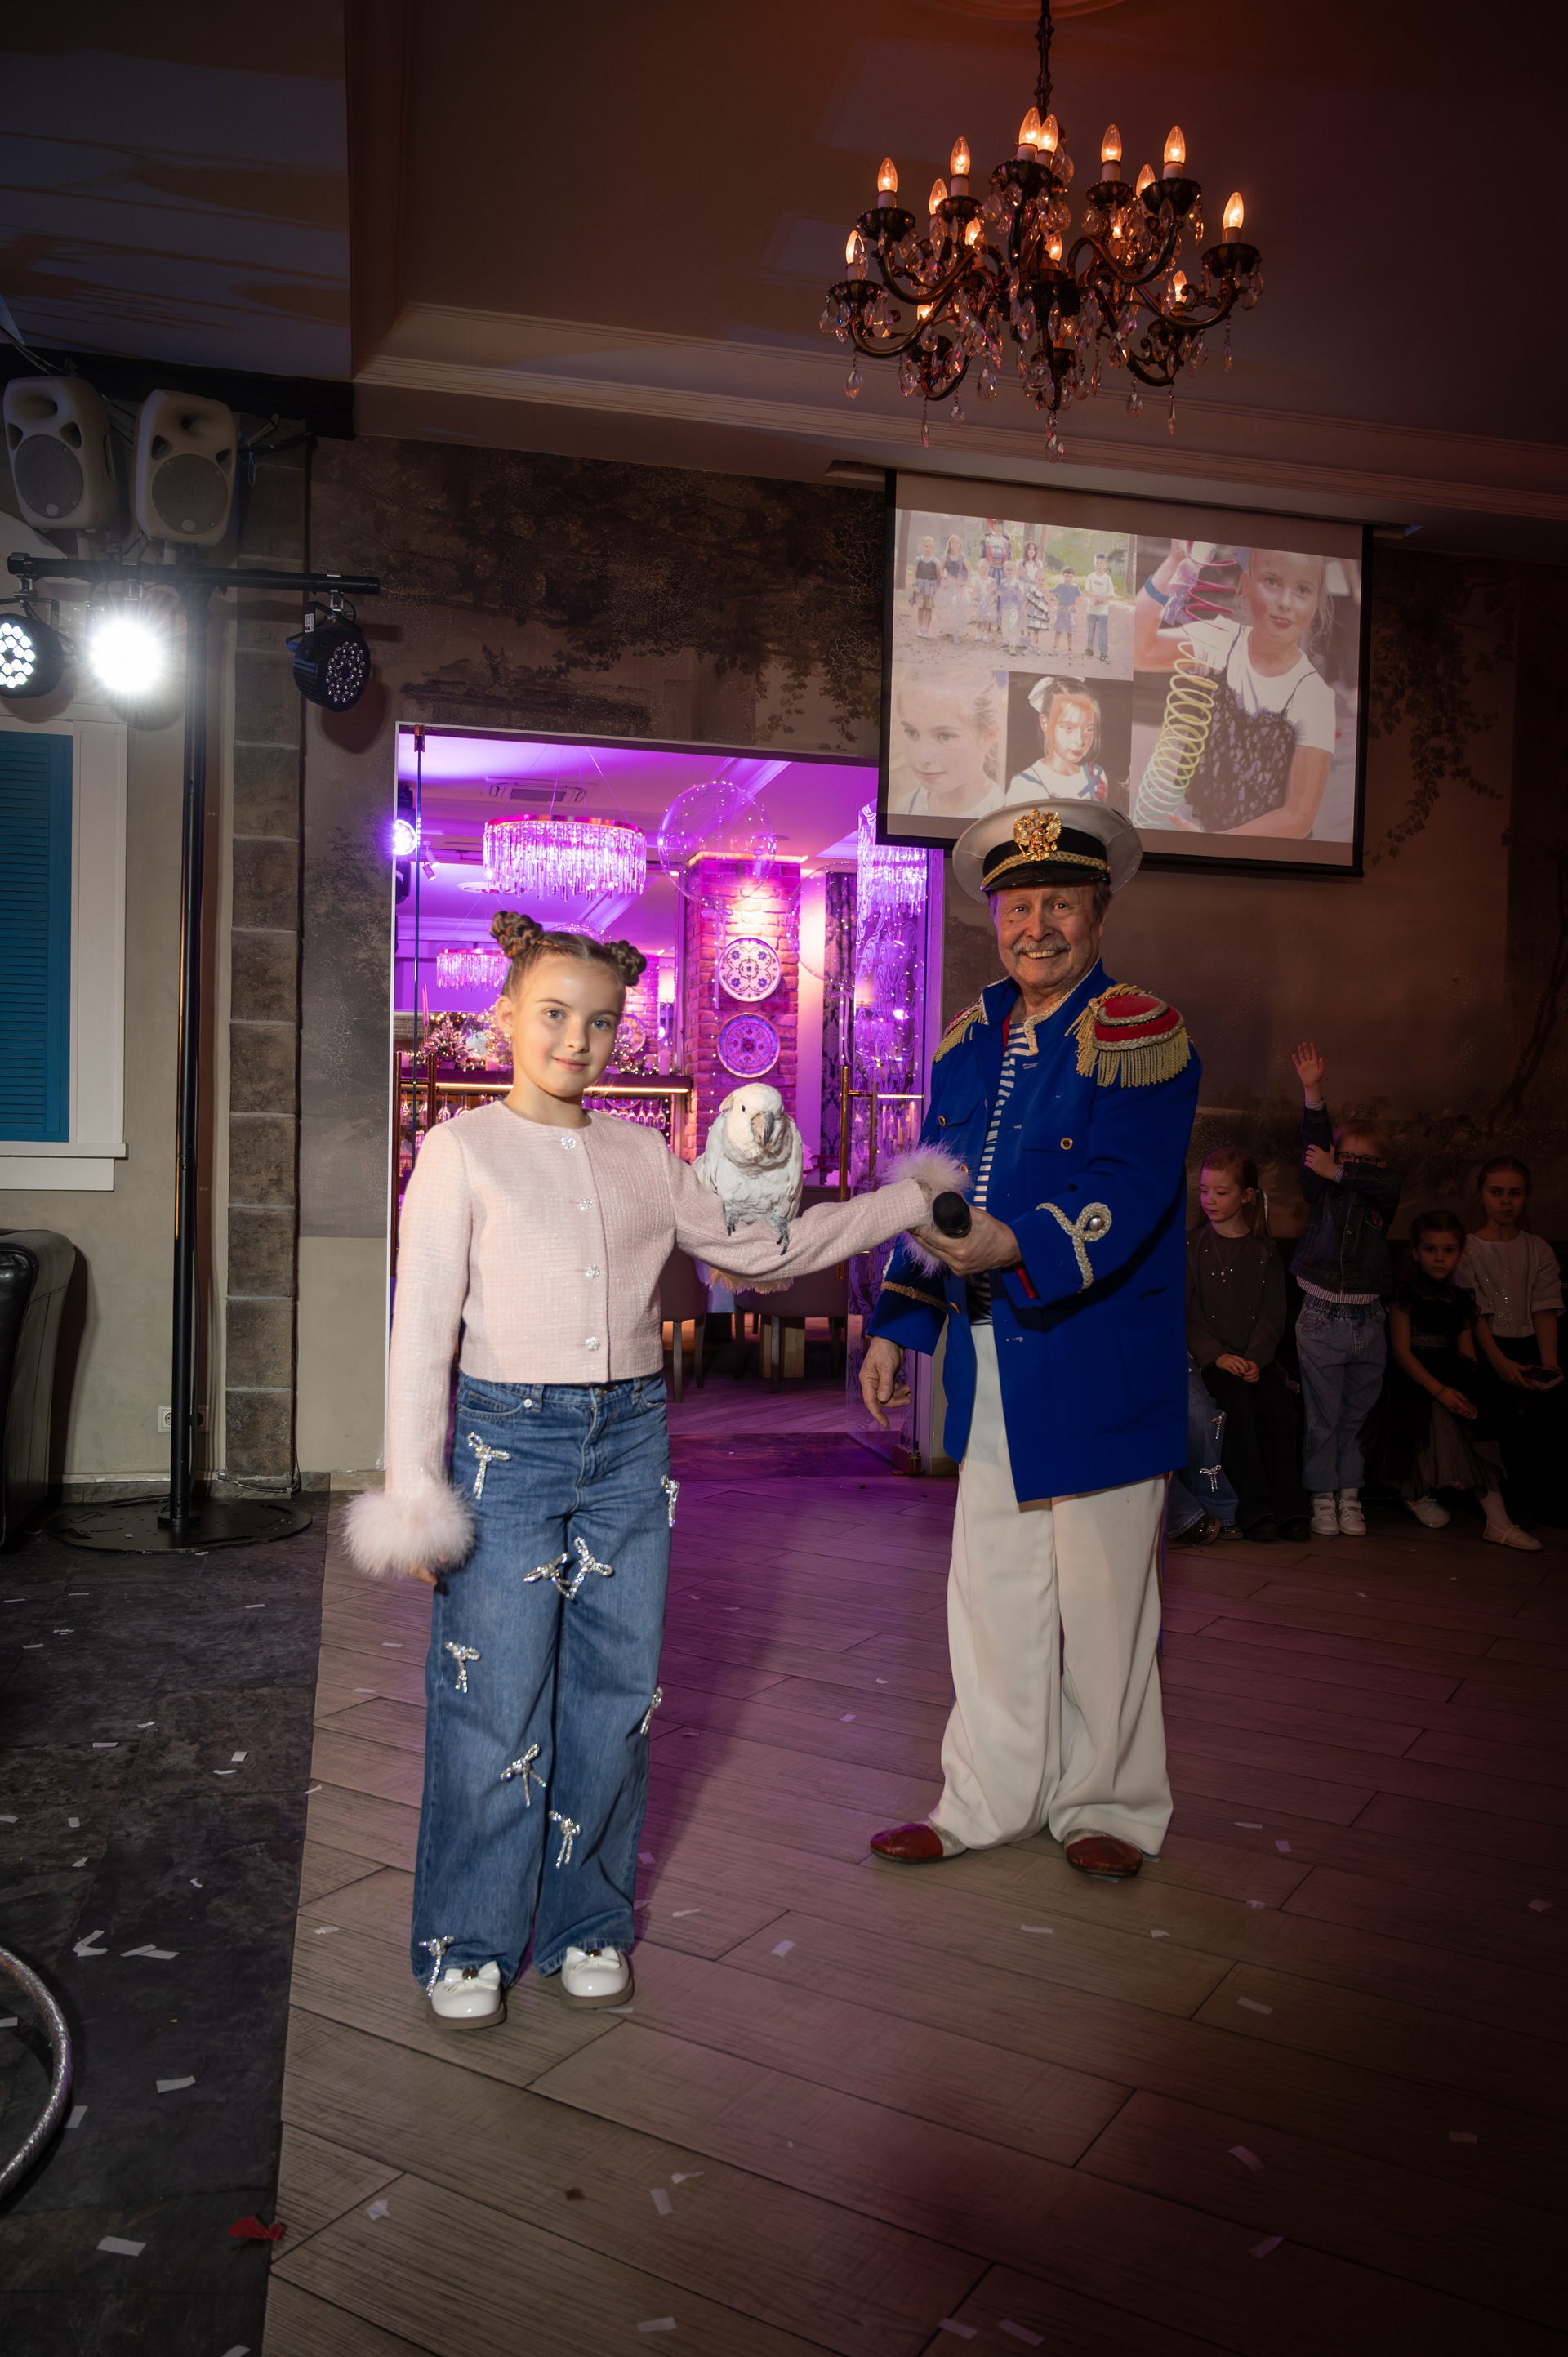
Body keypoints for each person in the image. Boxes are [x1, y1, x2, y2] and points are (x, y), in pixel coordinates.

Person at [344, 911, 939, 2029]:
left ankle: (589, 1925)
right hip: (505, 1447)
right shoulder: (461, 1152)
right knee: (493, 1702)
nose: (577, 1039)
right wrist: (416, 1491)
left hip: (629, 1444)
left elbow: (763, 1252)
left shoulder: (643, 1158)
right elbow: (420, 1332)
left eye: (601, 1021)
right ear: (506, 1016)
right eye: (553, 1014)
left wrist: (908, 1202)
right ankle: (469, 1941)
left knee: (616, 1698)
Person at [858, 801, 1200, 1881]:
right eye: (1018, 906)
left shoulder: (1143, 1031)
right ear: (995, 918)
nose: (1036, 926)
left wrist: (1020, 1242)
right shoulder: (969, 1040)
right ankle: (986, 1799)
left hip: (1097, 1355)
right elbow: (935, 1186)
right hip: (990, 1354)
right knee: (994, 1590)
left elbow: (1128, 1187)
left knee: (1104, 1602)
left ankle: (1109, 1806)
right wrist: (896, 1320)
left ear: (1099, 912)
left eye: (1060, 904)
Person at [1134, 543, 1337, 835]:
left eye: (1303, 590)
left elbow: (1298, 818)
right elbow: (1138, 652)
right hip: (1196, 836)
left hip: (1261, 857)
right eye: (1272, 582)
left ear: (1317, 601)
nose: (1286, 602)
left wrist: (1211, 845)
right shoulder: (1220, 641)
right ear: (1247, 585)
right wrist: (1176, 561)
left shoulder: (1314, 696)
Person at [1365, 1210, 1539, 1549]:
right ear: (1416, 1252)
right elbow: (1402, 1353)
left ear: (1460, 1254)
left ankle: (1499, 1523)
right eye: (1431, 1249)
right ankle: (1415, 1493)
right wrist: (1440, 1391)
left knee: (1477, 1423)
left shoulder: (1460, 1299)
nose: (1439, 1257)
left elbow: (1466, 1354)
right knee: (1439, 1418)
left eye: (1448, 1250)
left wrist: (1470, 1394)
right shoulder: (1406, 1295)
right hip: (1415, 1382)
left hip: (1451, 1374)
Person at [1288, 1040, 1401, 1537]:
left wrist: (1339, 1167)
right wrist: (1313, 1093)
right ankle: (1321, 1496)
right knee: (1323, 1417)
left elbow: (1384, 1183)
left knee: (1356, 1416)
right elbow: (1317, 1155)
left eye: (1364, 1161)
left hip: (1368, 1322)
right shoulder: (1324, 1192)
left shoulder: (1383, 1195)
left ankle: (1350, 1495)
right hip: (1322, 1316)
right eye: (1345, 1157)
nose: (1351, 1166)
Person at [1187, 1149, 1308, 1540]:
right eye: (1204, 1190)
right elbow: (1189, 1314)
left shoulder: (1264, 1252)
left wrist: (1256, 1359)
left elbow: (1273, 1316)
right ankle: (1254, 1508)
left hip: (1256, 1360)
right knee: (1236, 1408)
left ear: (1246, 1195)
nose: (1210, 1200)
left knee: (1278, 1409)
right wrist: (1218, 1357)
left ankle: (1290, 1507)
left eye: (1221, 1192)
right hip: (1212, 1361)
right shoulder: (1191, 1246)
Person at [1459, 1156, 1566, 1525]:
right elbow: (1475, 1316)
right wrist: (1501, 1365)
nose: (1506, 1202)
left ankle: (1546, 1498)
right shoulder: (1468, 1250)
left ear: (1526, 1197)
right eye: (1496, 1192)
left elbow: (1545, 1308)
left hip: (1530, 1344)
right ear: (1481, 1195)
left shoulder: (1537, 1249)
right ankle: (1509, 1500)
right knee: (1502, 1411)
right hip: (1489, 1348)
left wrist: (1548, 1364)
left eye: (1515, 1193)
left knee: (1551, 1409)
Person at [889, 680, 1004, 820]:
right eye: (911, 733)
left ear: (987, 735)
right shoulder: (903, 806)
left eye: (945, 736)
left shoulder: (1007, 815)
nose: (922, 758)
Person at [1008, 678, 1108, 804]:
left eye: (1089, 729)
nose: (1080, 740)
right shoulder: (1026, 784)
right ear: (1045, 724)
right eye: (1069, 728)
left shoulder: (1097, 775)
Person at [933, 533, 972, 643]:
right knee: (946, 608)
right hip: (948, 583)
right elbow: (941, 569)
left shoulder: (962, 558)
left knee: (958, 608)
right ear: (949, 544)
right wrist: (943, 579)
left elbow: (969, 571)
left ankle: (957, 632)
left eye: (957, 543)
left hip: (958, 585)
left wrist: (965, 583)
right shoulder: (946, 557)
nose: (955, 544)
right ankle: (946, 629)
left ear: (960, 545)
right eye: (953, 542)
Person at [1084, 551, 1116, 664]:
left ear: (1105, 564)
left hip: (1103, 610)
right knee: (1090, 631)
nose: (1099, 565)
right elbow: (1087, 590)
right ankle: (1089, 649)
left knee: (1103, 632)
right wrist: (1093, 599)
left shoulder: (1107, 579)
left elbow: (1111, 594)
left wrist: (1102, 600)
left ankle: (1103, 653)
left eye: (1101, 563)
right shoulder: (1090, 576)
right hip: (1091, 609)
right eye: (1097, 562)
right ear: (1094, 564)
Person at [909, 534, 941, 636]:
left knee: (928, 608)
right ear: (923, 547)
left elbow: (938, 576)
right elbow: (914, 573)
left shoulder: (935, 561)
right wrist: (914, 585)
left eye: (930, 546)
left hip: (931, 587)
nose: (928, 549)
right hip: (920, 586)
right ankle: (920, 627)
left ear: (934, 548)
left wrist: (937, 588)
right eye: (926, 546)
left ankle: (926, 628)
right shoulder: (918, 559)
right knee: (921, 607)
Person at [1051, 566, 1080, 653]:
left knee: (1069, 630)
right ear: (1063, 576)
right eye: (1066, 576)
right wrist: (1057, 601)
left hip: (1070, 611)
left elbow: (1079, 599)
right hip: (1061, 610)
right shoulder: (1060, 586)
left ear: (1073, 577)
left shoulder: (1075, 587)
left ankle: (1070, 649)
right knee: (1058, 629)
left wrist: (1073, 606)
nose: (1068, 578)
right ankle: (1055, 647)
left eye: (1070, 576)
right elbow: (1051, 593)